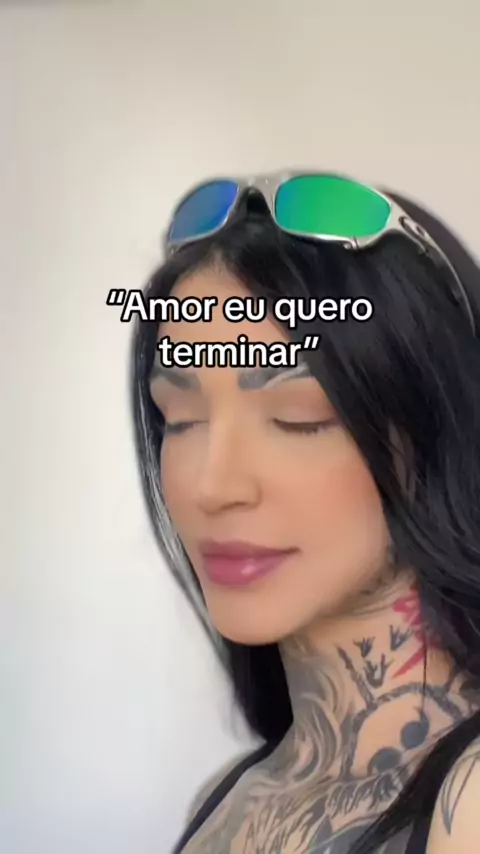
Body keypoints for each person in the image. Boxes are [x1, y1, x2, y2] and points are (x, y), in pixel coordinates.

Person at [130, 172, 480, 854]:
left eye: (298, 418)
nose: (212, 485)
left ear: (436, 435)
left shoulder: (468, 808)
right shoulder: (225, 798)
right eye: (182, 418)